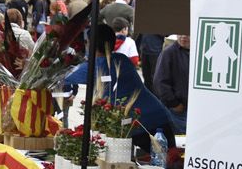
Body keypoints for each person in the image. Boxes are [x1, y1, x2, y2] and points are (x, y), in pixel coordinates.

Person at [66, 23, 178, 156]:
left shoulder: (93, 66)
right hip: (159, 117)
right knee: (166, 165)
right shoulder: (122, 59)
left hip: (137, 124)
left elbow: (64, 78)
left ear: (91, 44)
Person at [153, 34, 191, 131]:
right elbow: (160, 82)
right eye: (180, 33)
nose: (183, 37)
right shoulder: (169, 53)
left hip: (194, 109)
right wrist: (174, 104)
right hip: (178, 111)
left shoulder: (199, 52)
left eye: (188, 34)